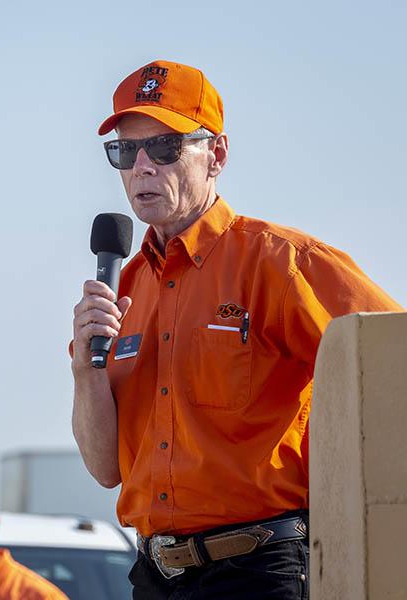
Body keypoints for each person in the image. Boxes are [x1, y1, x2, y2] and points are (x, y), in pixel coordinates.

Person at [71, 60, 403, 599]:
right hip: (154, 576)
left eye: (164, 147)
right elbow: (105, 469)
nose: (142, 167)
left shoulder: (283, 263)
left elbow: (392, 355)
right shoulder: (122, 290)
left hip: (258, 571)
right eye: (126, 151)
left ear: (217, 155)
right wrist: (84, 369)